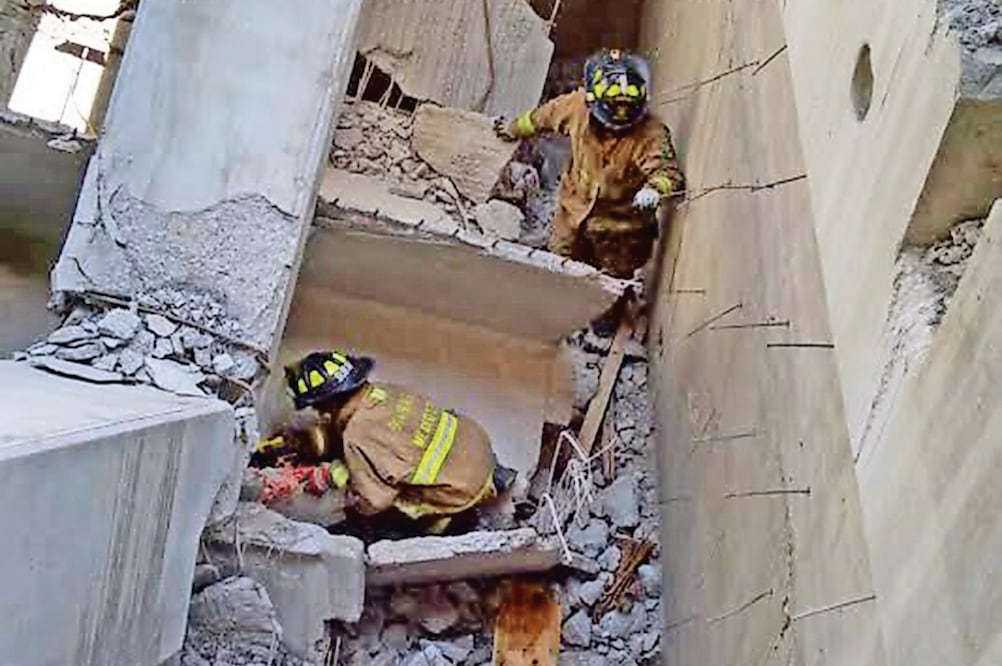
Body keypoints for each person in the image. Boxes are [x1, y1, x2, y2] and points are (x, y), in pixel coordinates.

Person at [253, 350, 512, 532]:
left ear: (326, 406)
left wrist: (338, 483)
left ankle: (449, 524)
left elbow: (374, 501)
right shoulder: (387, 391)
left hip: (461, 488)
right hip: (478, 446)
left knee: (369, 522)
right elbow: (390, 438)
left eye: (316, 408)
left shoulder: (357, 437)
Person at [495, 49, 684, 279]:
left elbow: (668, 172)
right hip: (571, 215)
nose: (616, 129)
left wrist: (654, 189)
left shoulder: (651, 133)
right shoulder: (576, 107)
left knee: (610, 285)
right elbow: (541, 118)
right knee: (558, 269)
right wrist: (512, 128)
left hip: (620, 233)